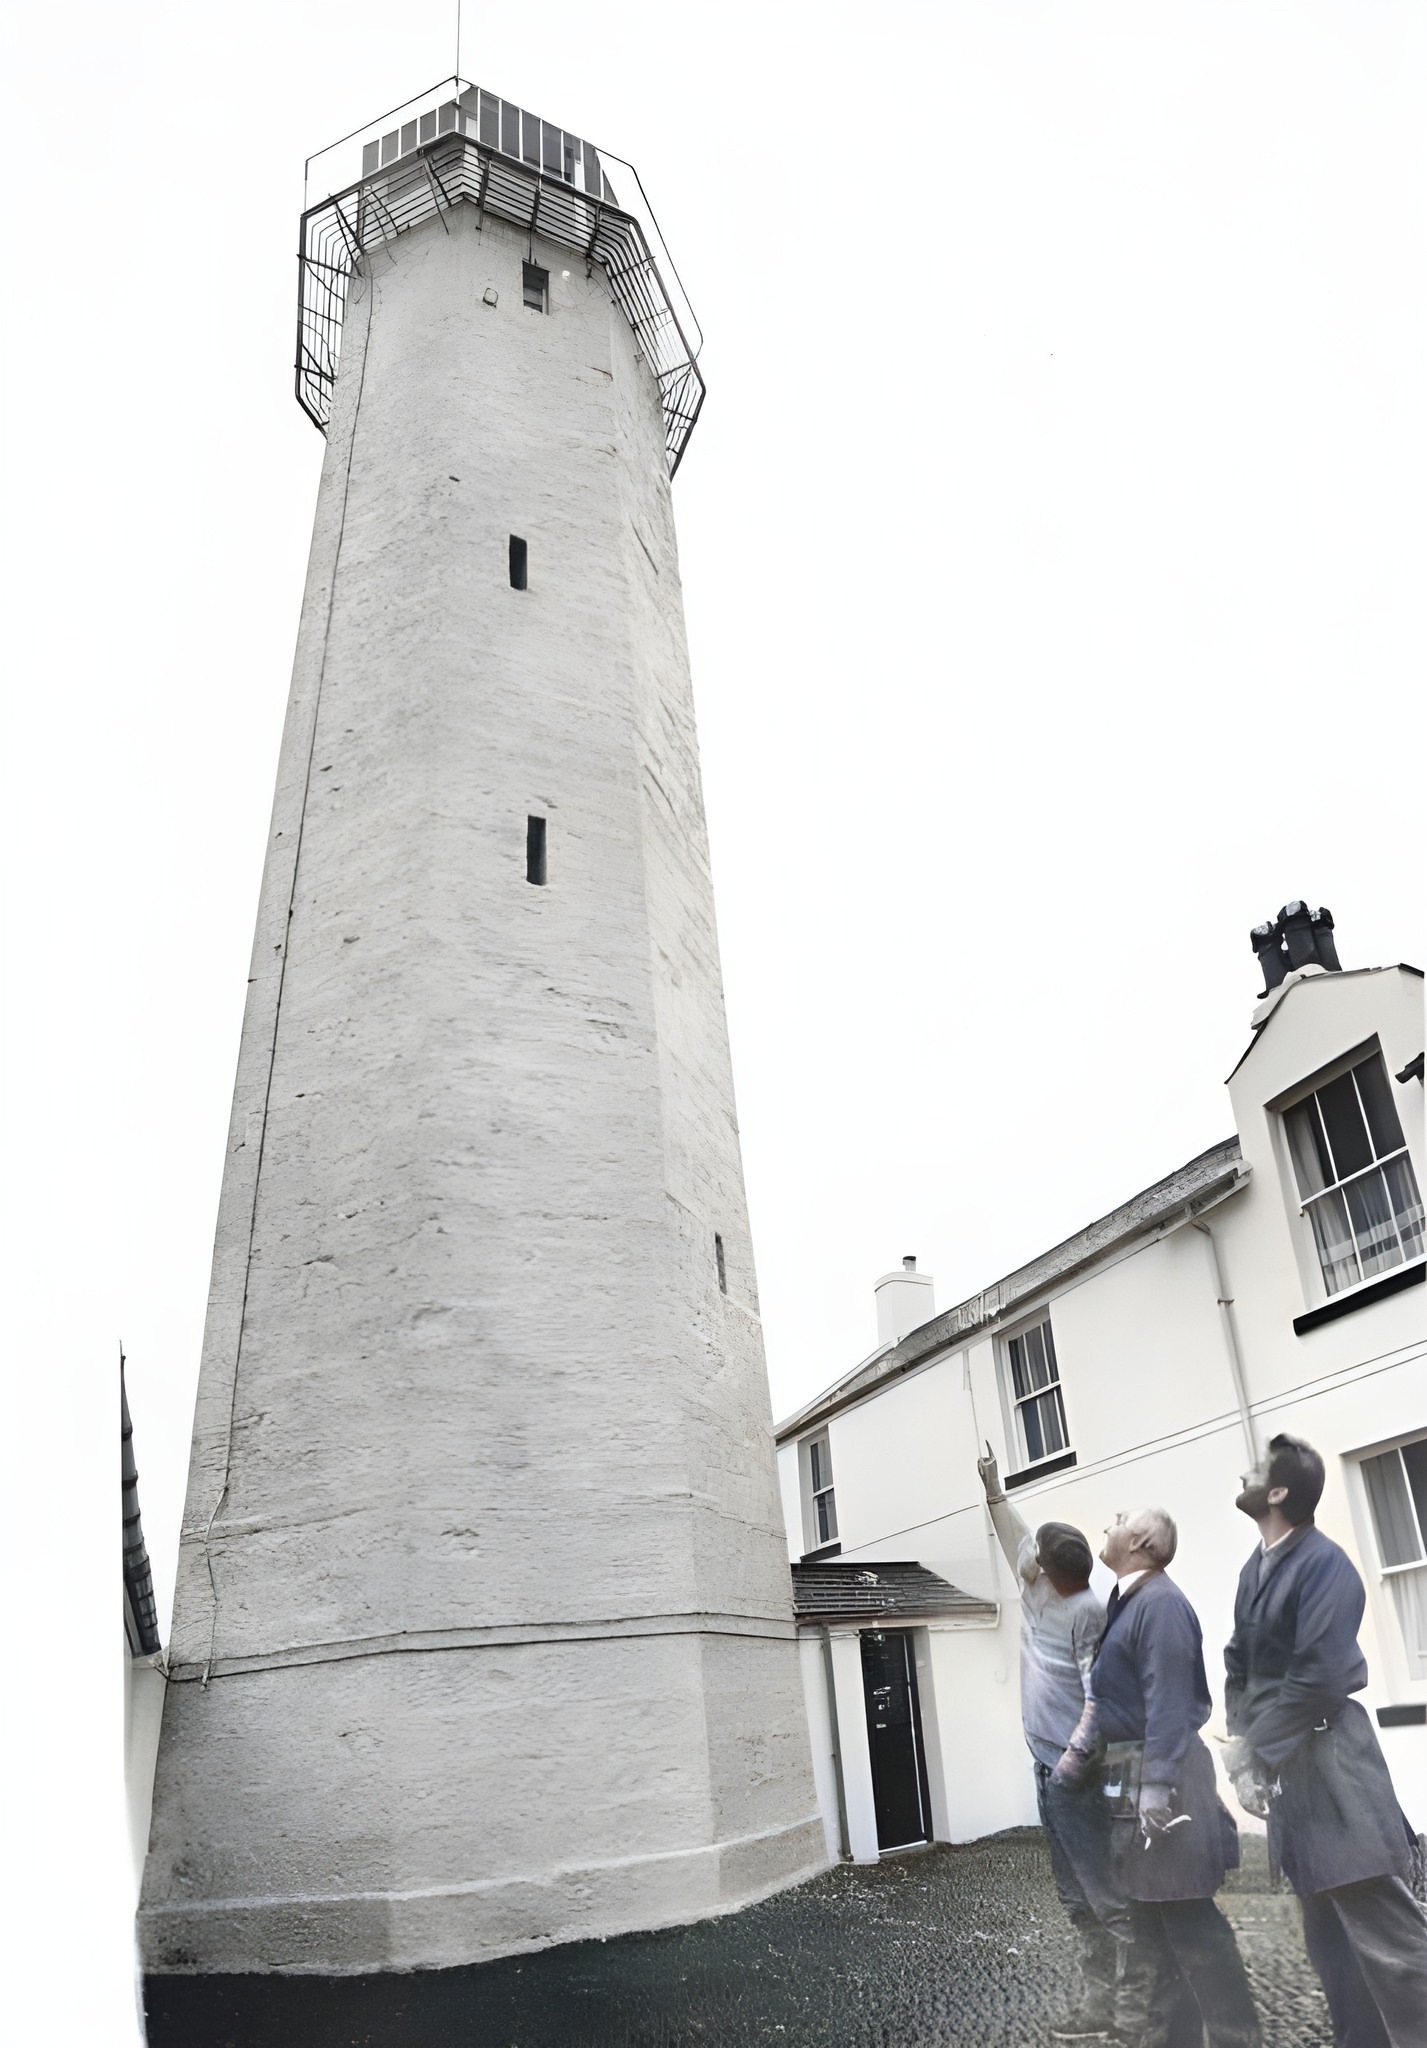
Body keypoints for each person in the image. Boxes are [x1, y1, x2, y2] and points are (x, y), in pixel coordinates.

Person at [1224, 1432, 1427, 2048]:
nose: (1244, 1475)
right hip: (1293, 1777)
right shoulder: (1254, 1568)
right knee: (1332, 1947)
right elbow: (1239, 1663)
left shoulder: (1326, 1565)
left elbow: (1320, 1675)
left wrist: (1253, 1749)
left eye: (1256, 1470)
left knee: (1394, 1951)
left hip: (1335, 1765)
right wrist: (1243, 1756)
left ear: (1278, 1491)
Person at [1084, 1504, 1261, 2048]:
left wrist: (1156, 1787)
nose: (1107, 1522)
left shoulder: (1159, 1604)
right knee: (1157, 1927)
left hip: (1166, 1780)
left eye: (1117, 1518)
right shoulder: (1131, 1601)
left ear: (1138, 1541)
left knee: (1188, 1921)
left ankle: (1238, 2038)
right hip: (1140, 1773)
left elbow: (1169, 1699)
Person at [976, 1445, 1128, 2040]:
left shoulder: (1088, 1613)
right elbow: (1013, 1532)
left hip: (1075, 1775)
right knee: (1076, 1900)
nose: (1025, 1560)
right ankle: (1102, 2008)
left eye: (1033, 1557)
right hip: (1046, 1769)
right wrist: (993, 1487)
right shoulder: (1039, 1585)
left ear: (1049, 1570)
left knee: (1106, 1899)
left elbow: (1101, 1697)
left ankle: (1140, 2005)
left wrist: (1071, 1761)